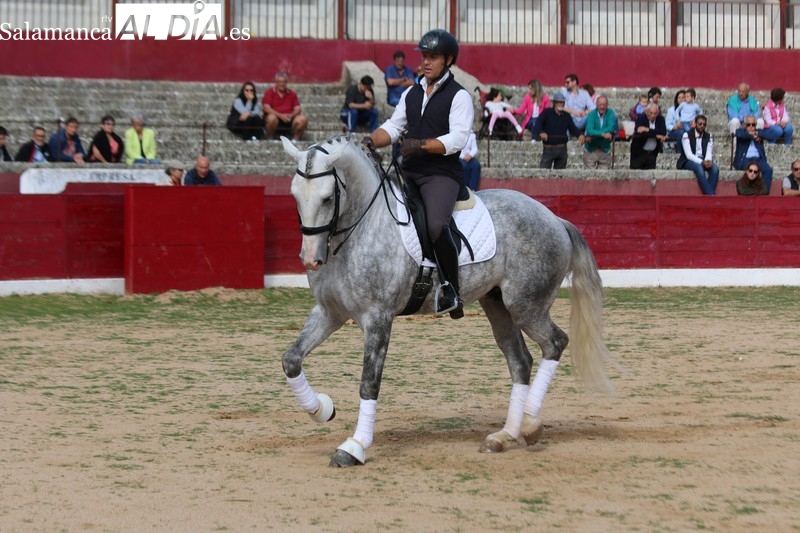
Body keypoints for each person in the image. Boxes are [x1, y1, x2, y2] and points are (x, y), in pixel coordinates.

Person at [363, 29, 472, 319]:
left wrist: (421, 144)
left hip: (440, 175)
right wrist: (371, 140)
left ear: (448, 59)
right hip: (409, 171)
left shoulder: (460, 96)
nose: (426, 62)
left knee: (436, 225)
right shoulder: (411, 92)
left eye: (433, 57)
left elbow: (458, 139)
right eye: (424, 56)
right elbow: (392, 126)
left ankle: (451, 289)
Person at [532, 92, 584, 169]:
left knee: (560, 175)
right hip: (548, 148)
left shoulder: (566, 116)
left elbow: (573, 128)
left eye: (562, 102)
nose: (561, 104)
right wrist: (541, 132)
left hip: (562, 149)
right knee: (543, 173)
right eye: (559, 102)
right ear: (554, 103)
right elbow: (537, 124)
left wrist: (580, 134)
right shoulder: (547, 112)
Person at [677, 115, 719, 195]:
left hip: (703, 159)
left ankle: (708, 195)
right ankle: (711, 195)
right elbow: (688, 154)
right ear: (695, 124)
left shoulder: (708, 136)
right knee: (699, 168)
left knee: (715, 169)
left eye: (704, 124)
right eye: (700, 124)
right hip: (688, 160)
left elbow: (708, 151)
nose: (702, 126)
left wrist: (708, 161)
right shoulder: (686, 135)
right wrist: (701, 162)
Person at [262, 71, 308, 142]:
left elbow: (298, 109)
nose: (282, 84)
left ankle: (295, 139)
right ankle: (270, 138)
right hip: (275, 118)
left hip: (289, 119)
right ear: (276, 82)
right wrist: (280, 116)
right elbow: (266, 108)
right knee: (271, 118)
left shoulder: (292, 94)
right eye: (279, 82)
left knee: (303, 119)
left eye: (284, 82)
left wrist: (291, 115)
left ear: (286, 82)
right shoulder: (269, 92)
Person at [733, 116, 774, 192]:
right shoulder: (740, 131)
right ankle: (747, 192)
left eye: (753, 125)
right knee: (752, 170)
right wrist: (753, 136)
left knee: (768, 170)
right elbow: (740, 134)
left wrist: (757, 133)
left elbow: (771, 135)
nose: (751, 127)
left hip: (758, 159)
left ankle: (764, 193)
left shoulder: (759, 132)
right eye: (748, 125)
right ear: (745, 125)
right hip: (745, 159)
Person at [582, 95, 617, 169]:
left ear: (607, 105)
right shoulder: (591, 114)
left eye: (604, 105)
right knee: (589, 177)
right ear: (596, 105)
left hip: (605, 149)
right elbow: (590, 130)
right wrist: (603, 134)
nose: (602, 107)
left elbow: (611, 128)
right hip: (591, 150)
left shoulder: (611, 113)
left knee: (604, 178)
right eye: (600, 104)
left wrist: (595, 133)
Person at [630, 103, 667, 170]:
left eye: (655, 113)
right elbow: (641, 133)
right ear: (647, 112)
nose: (653, 115)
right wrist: (656, 135)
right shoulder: (641, 118)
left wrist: (647, 129)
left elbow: (663, 132)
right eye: (651, 113)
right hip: (639, 153)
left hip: (652, 153)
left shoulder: (660, 119)